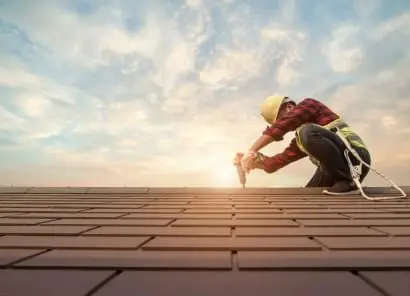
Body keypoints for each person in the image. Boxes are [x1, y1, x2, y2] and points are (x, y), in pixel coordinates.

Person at [233, 95, 371, 195]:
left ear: (289, 107)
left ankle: (345, 180)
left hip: (355, 157)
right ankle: (342, 182)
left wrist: (250, 150)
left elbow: (281, 127)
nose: (285, 123)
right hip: (331, 171)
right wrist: (254, 160)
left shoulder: (310, 105)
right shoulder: (302, 139)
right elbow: (276, 162)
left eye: (281, 119)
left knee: (307, 132)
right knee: (308, 196)